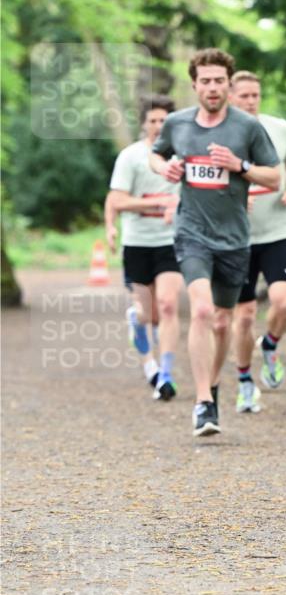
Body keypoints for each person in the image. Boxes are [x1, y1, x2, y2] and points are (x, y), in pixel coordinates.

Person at [150, 48, 280, 437]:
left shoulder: (247, 128)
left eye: (219, 81)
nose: (212, 87)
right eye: (204, 81)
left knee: (222, 322)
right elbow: (156, 157)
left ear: (228, 83)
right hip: (192, 234)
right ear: (194, 85)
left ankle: (213, 387)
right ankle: (203, 402)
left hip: (234, 239)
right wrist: (167, 166)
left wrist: (239, 166)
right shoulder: (177, 124)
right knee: (203, 311)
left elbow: (274, 178)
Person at [229, 71, 286, 413]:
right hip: (236, 238)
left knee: (284, 301)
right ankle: (245, 382)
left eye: (255, 95)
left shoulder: (279, 128)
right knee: (243, 315)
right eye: (243, 95)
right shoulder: (222, 133)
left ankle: (270, 345)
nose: (250, 101)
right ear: (231, 97)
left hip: (276, 230)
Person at [105, 96, 183, 401]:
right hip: (137, 244)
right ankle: (148, 363)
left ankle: (165, 372)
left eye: (164, 121)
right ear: (144, 124)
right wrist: (157, 202)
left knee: (168, 305)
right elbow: (118, 200)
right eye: (152, 121)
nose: (158, 126)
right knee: (146, 314)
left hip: (171, 242)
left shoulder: (183, 155)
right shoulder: (130, 157)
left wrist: (177, 205)